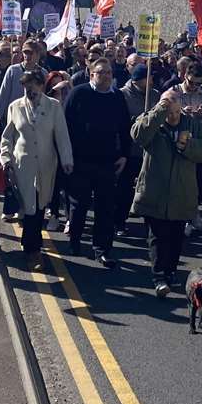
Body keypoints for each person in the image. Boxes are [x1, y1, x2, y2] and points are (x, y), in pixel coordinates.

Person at [132, 90, 202, 297]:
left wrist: (188, 146)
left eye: (176, 111)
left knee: (176, 237)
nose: (173, 116)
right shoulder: (152, 119)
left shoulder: (193, 124)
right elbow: (138, 135)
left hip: (181, 192)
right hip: (154, 191)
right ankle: (158, 276)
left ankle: (170, 271)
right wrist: (159, 110)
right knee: (158, 237)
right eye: (168, 111)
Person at [0, 67, 73, 272]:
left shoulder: (54, 107)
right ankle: (33, 250)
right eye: (25, 88)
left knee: (39, 206)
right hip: (23, 165)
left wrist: (67, 160)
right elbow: (7, 137)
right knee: (30, 207)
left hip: (46, 165)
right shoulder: (15, 107)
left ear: (41, 86)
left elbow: (62, 135)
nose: (29, 92)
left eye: (33, 87)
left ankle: (30, 243)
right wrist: (5, 159)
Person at [62, 57, 134, 266]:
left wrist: (124, 155)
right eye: (101, 72)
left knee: (105, 208)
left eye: (109, 73)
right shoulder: (79, 94)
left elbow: (124, 127)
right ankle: (75, 241)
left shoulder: (117, 97)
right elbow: (65, 126)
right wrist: (67, 157)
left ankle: (101, 249)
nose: (106, 76)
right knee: (79, 205)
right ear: (91, 74)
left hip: (107, 162)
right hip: (80, 161)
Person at [117, 63, 161, 233]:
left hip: (150, 151)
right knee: (124, 189)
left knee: (150, 189)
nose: (152, 79)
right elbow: (120, 122)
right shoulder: (122, 94)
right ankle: (119, 221)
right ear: (139, 80)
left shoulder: (155, 94)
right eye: (149, 77)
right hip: (130, 150)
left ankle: (151, 225)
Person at [173, 59, 202, 218]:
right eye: (191, 83)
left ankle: (193, 211)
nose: (194, 87)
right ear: (185, 76)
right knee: (181, 183)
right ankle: (185, 216)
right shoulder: (174, 91)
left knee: (201, 182)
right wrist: (181, 112)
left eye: (198, 84)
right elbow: (163, 115)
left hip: (200, 144)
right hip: (178, 142)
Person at [0, 40, 44, 136]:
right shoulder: (12, 70)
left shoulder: (43, 73)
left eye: (30, 52)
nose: (27, 56)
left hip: (35, 122)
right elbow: (2, 97)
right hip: (13, 119)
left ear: (38, 55)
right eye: (25, 52)